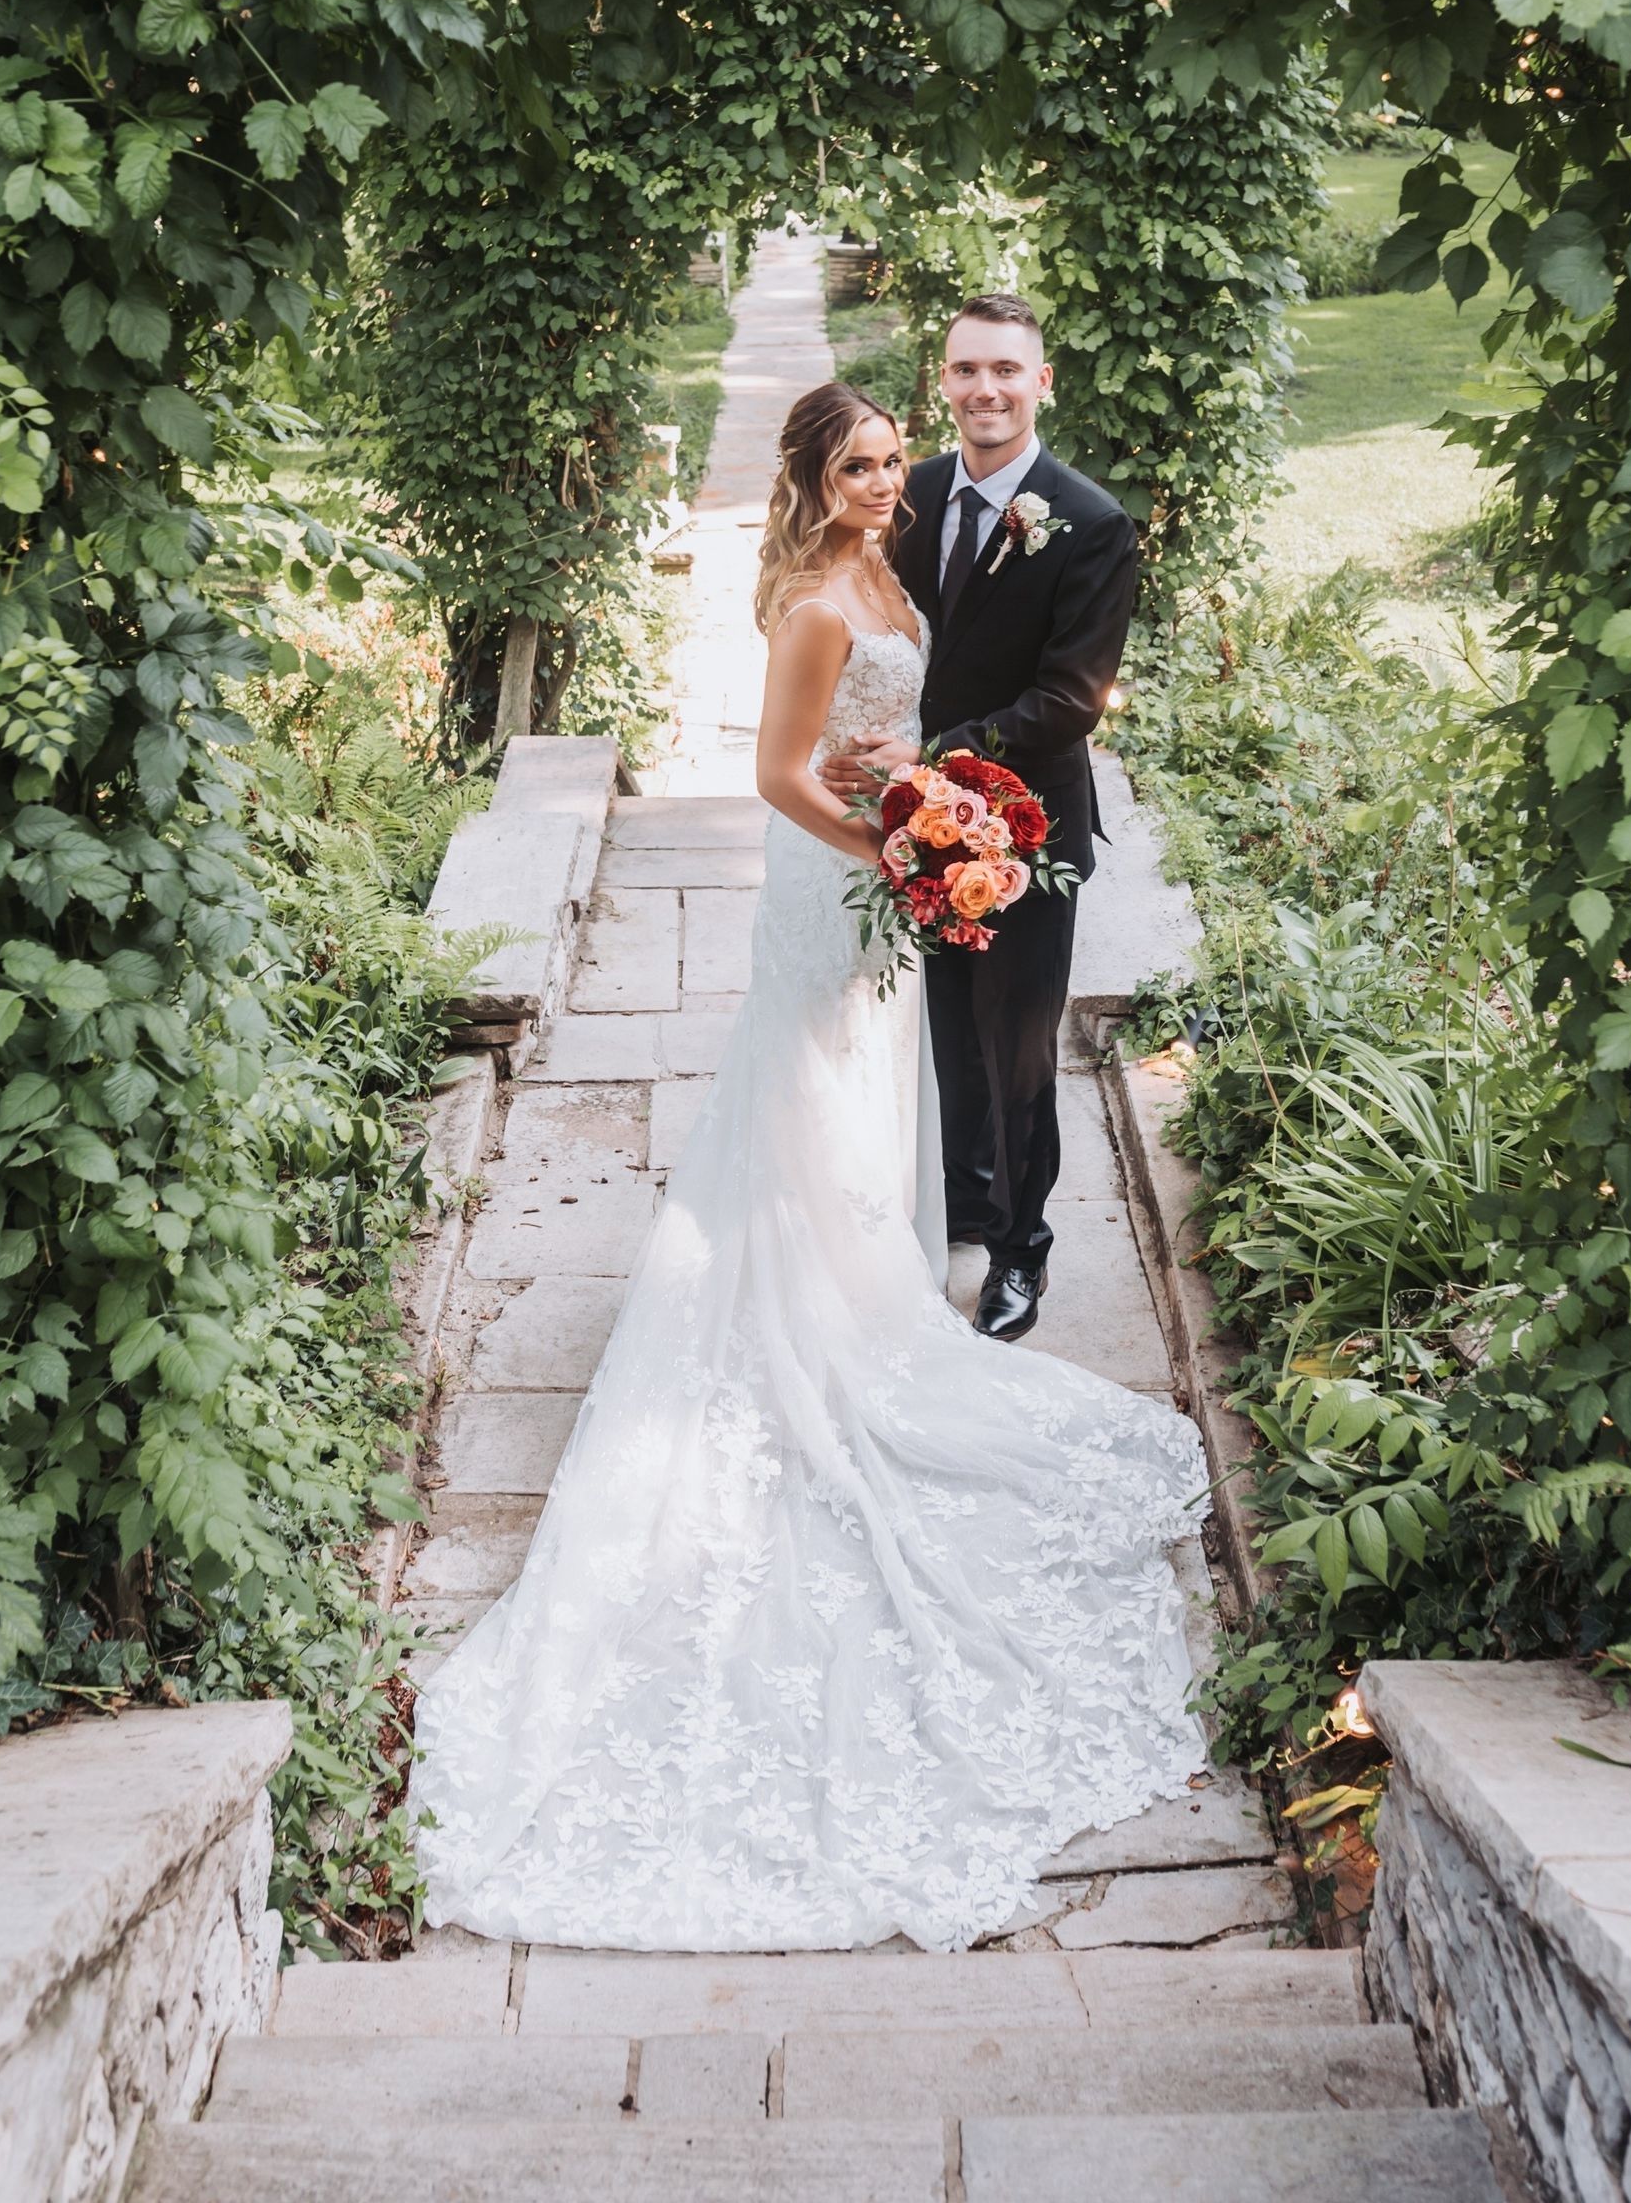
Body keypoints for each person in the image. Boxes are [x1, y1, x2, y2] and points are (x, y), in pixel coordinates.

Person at [410, 382, 1204, 1954]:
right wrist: (904, 850)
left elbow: (908, 723)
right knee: (806, 1096)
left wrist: (927, 806)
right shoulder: (810, 602)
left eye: (890, 457)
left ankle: (870, 1285)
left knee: (868, 1104)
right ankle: (813, 1314)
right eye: (857, 465)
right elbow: (784, 774)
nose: (884, 477)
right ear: (810, 480)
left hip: (883, 884)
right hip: (828, 891)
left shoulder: (895, 566)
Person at [820, 295, 1139, 1347]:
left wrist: (936, 753)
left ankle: (1020, 1249)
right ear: (943, 381)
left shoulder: (1088, 523)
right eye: (966, 370)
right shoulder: (901, 496)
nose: (985, 389)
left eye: (1007, 369)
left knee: (1016, 1046)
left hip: (1024, 830)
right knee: (941, 1025)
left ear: (1043, 382)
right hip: (909, 825)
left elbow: (1069, 700)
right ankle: (954, 1203)